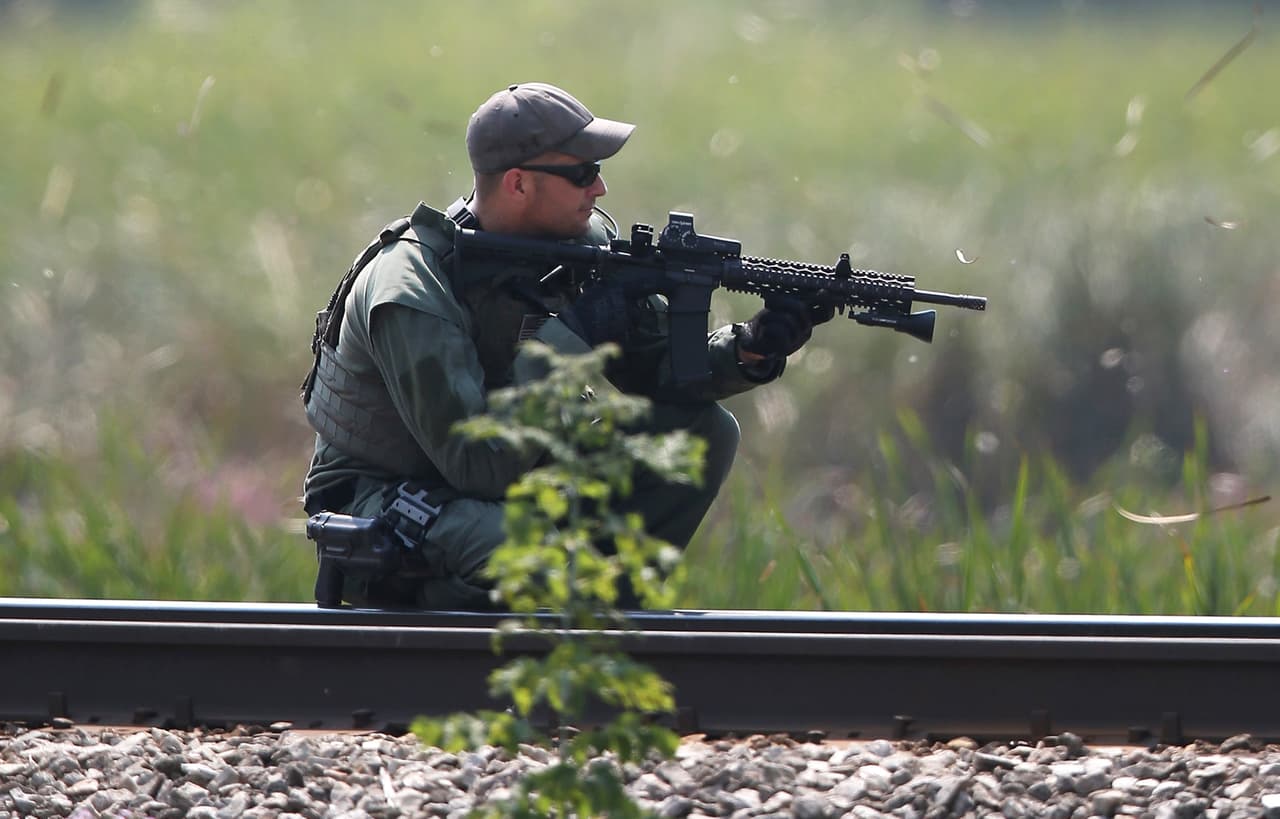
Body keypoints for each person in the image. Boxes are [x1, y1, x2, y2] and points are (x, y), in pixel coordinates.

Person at [300, 82, 830, 609]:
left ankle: (606, 621)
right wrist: (572, 334)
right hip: (389, 493)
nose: (598, 190)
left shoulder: (575, 248)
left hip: (505, 469)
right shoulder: (410, 287)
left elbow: (660, 368)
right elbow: (476, 463)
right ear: (518, 184)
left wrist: (749, 350)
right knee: (537, 559)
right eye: (581, 174)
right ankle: (434, 611)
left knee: (702, 431)